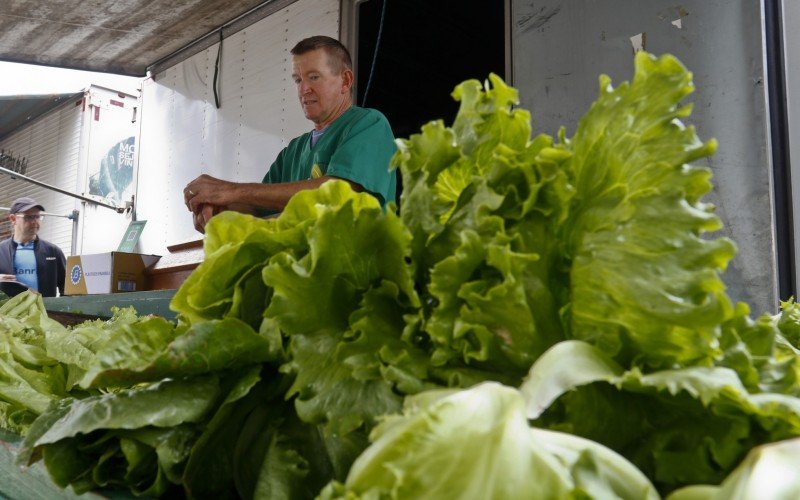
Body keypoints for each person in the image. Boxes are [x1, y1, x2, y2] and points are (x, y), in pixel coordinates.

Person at [183, 35, 397, 233]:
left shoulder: (368, 124)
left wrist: (232, 191)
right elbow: (258, 205)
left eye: (314, 77)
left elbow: (337, 194)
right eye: (298, 79)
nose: (304, 89)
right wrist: (219, 210)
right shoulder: (293, 151)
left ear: (346, 80)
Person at [0, 197, 67, 297]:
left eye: (37, 217)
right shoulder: (1, 250)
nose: (35, 221)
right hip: (8, 312)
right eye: (28, 217)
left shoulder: (53, 251)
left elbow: (67, 288)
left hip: (43, 311)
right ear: (13, 219)